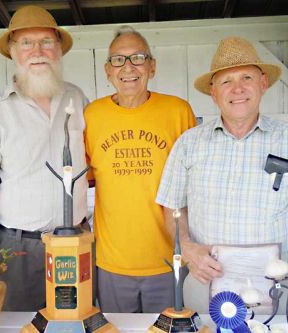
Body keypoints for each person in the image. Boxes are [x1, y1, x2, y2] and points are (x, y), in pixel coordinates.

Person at [156, 36, 288, 313]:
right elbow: (171, 206)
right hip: (208, 284)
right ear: (213, 91)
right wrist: (188, 249)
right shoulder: (188, 144)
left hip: (282, 287)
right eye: (226, 81)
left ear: (263, 84)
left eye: (247, 77)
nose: (238, 89)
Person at [0, 5, 88, 311]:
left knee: (76, 322)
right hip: (19, 249)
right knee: (19, 325)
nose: (38, 51)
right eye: (27, 43)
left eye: (47, 42)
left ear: (59, 49)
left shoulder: (78, 99)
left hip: (76, 243)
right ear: (12, 52)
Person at [84, 26, 196, 313]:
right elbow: (86, 178)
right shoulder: (91, 117)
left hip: (168, 257)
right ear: (108, 71)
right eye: (119, 60)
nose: (128, 67)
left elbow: (196, 183)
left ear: (152, 67)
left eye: (138, 58)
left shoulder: (178, 112)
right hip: (112, 262)